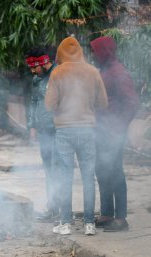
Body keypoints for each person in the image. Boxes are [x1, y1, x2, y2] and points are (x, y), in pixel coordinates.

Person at [45, 36, 108, 236]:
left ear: (61, 53)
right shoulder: (93, 71)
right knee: (89, 177)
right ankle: (89, 223)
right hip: (88, 130)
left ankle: (66, 223)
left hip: (64, 131)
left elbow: (49, 105)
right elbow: (103, 103)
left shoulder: (57, 72)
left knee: (65, 177)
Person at [90, 36, 139, 232]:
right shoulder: (105, 70)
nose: (93, 54)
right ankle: (107, 213)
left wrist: (119, 126)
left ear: (104, 51)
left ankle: (121, 218)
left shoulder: (119, 72)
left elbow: (132, 102)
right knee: (101, 171)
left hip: (113, 132)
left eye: (95, 50)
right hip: (100, 130)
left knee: (115, 172)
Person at [26, 47, 59, 222]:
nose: (32, 71)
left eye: (34, 67)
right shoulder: (36, 79)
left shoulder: (57, 74)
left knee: (57, 168)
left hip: (58, 130)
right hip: (43, 131)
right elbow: (33, 101)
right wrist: (32, 125)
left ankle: (61, 209)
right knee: (48, 169)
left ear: (43, 62)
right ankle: (52, 207)